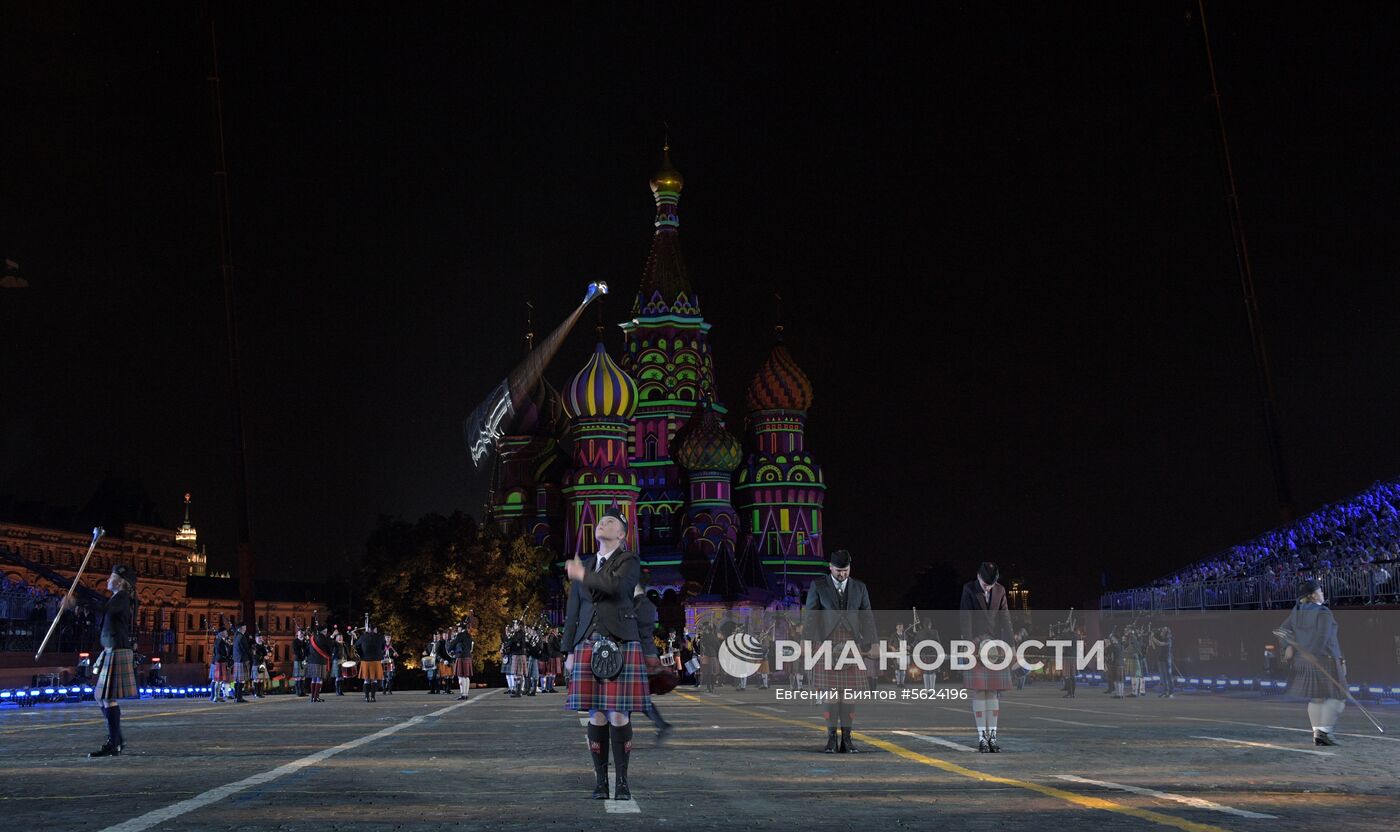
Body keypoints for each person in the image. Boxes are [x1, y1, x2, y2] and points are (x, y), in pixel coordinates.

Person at [562, 507, 650, 800]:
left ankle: (622, 782)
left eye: (611, 521)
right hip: (587, 642)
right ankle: (601, 782)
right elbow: (573, 611)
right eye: (601, 520)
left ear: (622, 535)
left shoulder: (629, 561)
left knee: (618, 714)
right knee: (596, 715)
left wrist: (582, 574)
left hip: (621, 641)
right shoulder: (585, 564)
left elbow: (615, 588)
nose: (603, 523)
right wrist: (569, 649)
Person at [804, 549, 876, 754]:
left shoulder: (860, 587)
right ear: (830, 567)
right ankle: (830, 740)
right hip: (827, 642)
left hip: (851, 643)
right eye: (838, 570)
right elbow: (811, 616)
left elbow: (867, 616)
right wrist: (806, 641)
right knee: (832, 694)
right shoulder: (818, 586)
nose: (842, 574)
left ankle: (847, 739)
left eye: (845, 570)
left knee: (849, 694)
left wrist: (872, 642)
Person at [65, 564, 140, 757]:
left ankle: (114, 742)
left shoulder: (122, 597)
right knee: (101, 696)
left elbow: (103, 607)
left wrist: (76, 603)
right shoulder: (118, 598)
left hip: (116, 650)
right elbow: (102, 604)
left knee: (107, 697)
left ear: (121, 582)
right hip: (110, 649)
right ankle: (117, 739)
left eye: (111, 576)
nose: (107, 579)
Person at [1279, 579, 1347, 746]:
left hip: (1305, 661)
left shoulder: (1296, 612)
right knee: (1339, 696)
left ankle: (1318, 733)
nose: (1323, 594)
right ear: (1313, 595)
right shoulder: (1323, 612)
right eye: (1321, 591)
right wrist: (1321, 655)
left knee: (1317, 698)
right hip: (1326, 659)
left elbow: (1282, 630)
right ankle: (1324, 732)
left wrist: (1288, 646)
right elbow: (1324, 637)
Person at [959, 561, 1014, 752]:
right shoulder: (969, 589)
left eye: (990, 585)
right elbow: (965, 617)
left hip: (996, 646)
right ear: (978, 576)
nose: (988, 588)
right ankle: (982, 737)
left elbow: (1005, 618)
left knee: (992, 691)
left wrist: (1010, 645)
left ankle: (993, 737)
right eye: (985, 585)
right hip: (975, 643)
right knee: (979, 691)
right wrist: (968, 644)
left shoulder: (1000, 591)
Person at [633, 582, 674, 741]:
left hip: (640, 653)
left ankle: (661, 724)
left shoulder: (640, 605)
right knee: (637, 695)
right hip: (644, 652)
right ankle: (661, 724)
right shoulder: (645, 604)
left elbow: (639, 630)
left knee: (635, 694)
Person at [306, 624, 334, 702]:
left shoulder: (312, 638)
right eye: (326, 631)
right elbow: (329, 647)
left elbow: (307, 649)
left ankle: (312, 697)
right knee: (319, 679)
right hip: (320, 661)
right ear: (324, 631)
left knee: (313, 679)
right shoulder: (323, 638)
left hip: (311, 660)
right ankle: (316, 697)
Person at [449, 622, 474, 700]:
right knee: (466, 676)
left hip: (461, 657)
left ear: (461, 628)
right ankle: (466, 694)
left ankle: (463, 694)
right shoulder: (469, 636)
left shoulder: (460, 635)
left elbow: (453, 644)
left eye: (458, 628)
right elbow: (470, 647)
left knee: (461, 676)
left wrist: (449, 649)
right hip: (468, 656)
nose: (457, 629)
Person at [1149, 626, 1174, 698]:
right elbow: (1153, 646)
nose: (1161, 631)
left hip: (1166, 659)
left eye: (1163, 630)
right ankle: (1165, 691)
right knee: (1162, 677)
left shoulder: (1168, 639)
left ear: (1166, 633)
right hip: (1160, 659)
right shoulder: (1161, 638)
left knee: (1168, 676)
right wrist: (1151, 638)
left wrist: (1153, 638)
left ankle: (1171, 692)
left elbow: (1160, 644)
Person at [231, 622, 253, 703]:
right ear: (240, 628)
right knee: (241, 680)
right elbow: (245, 648)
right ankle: (239, 698)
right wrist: (251, 653)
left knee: (237, 680)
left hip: (237, 660)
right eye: (244, 628)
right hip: (242, 659)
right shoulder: (241, 637)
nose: (245, 629)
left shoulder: (236, 636)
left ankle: (236, 697)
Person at [209, 624, 231, 702]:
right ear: (222, 633)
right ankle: (215, 696)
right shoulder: (219, 640)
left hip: (220, 661)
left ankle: (216, 696)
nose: (227, 633)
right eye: (225, 632)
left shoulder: (222, 640)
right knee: (217, 680)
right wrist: (224, 657)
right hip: (218, 661)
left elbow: (227, 650)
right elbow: (218, 652)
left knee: (219, 680)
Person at [291, 628, 309, 697]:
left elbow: (307, 651)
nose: (301, 634)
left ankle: (302, 692)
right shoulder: (295, 641)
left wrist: (305, 658)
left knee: (303, 677)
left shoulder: (305, 642)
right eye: (300, 633)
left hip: (304, 660)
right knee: (298, 677)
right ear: (297, 634)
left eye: (302, 633)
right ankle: (298, 692)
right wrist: (302, 656)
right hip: (298, 660)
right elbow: (295, 651)